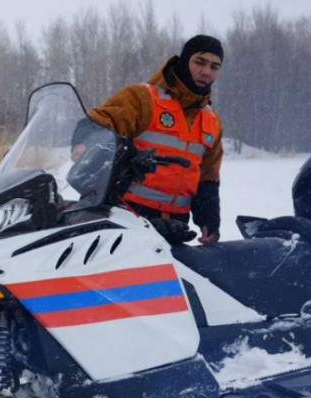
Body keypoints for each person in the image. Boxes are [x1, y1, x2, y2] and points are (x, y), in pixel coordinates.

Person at [86, 35, 225, 245]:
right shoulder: (142, 98)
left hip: (175, 226)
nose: (206, 72)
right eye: (200, 62)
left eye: (214, 66)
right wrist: (126, 157)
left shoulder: (212, 120)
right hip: (126, 218)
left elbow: (207, 176)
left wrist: (209, 220)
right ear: (185, 60)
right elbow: (94, 133)